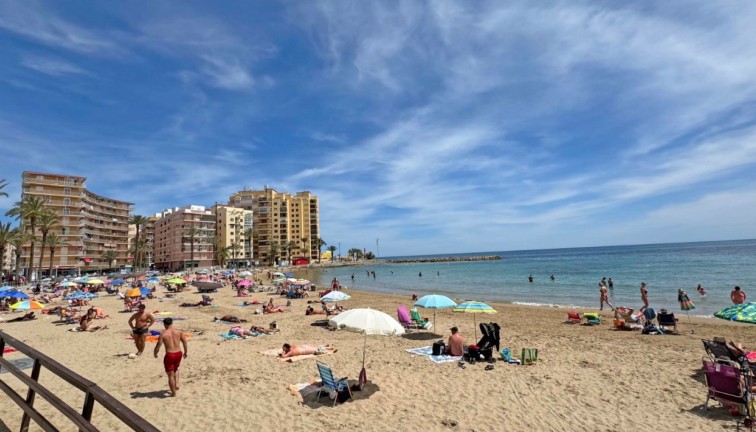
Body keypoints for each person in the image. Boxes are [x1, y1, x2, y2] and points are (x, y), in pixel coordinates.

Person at [154, 318, 188, 397]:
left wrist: (155, 353)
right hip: (178, 353)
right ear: (172, 323)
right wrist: (186, 352)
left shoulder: (163, 334)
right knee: (175, 369)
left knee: (170, 375)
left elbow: (158, 346)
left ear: (164, 324)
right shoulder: (179, 331)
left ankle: (173, 393)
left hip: (170, 354)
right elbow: (185, 342)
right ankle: (176, 385)